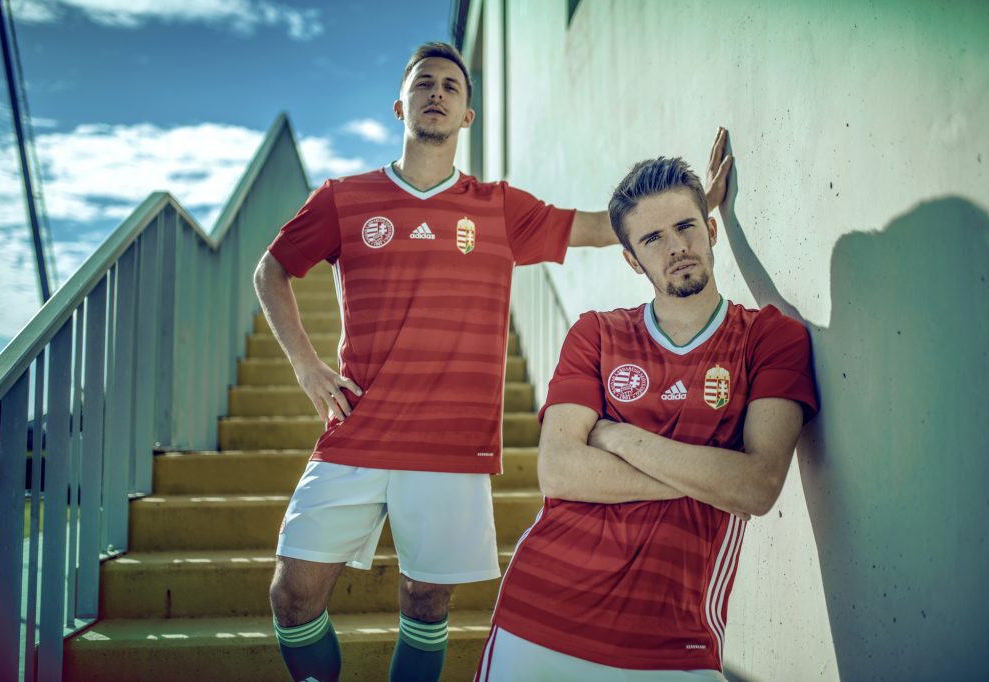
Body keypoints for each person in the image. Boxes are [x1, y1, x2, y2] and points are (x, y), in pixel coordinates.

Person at [255, 41, 731, 682]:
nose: (437, 93)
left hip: (451, 444)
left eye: (451, 86)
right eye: (424, 83)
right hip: (357, 431)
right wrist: (307, 366)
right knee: (291, 596)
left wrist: (695, 211)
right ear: (400, 105)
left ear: (467, 116)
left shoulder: (498, 208)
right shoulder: (344, 198)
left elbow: (602, 227)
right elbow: (272, 270)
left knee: (426, 602)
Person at [476, 146, 818, 681]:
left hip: (674, 643)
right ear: (632, 260)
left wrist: (618, 438)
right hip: (539, 618)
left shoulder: (771, 338)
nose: (676, 247)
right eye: (652, 238)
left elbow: (756, 486)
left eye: (685, 226)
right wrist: (708, 475)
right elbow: (559, 471)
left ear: (711, 229)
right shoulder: (596, 333)